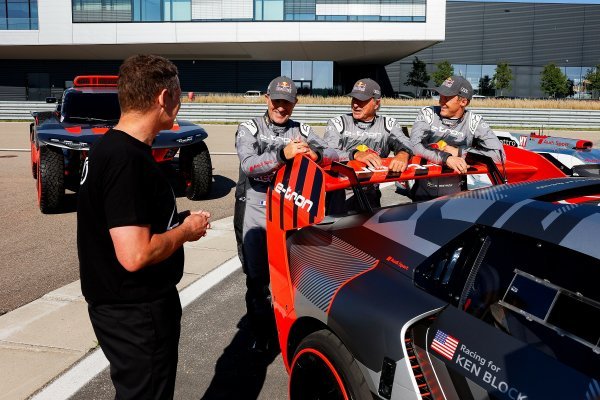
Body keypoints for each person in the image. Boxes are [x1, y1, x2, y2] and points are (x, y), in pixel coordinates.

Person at [77, 54, 211, 400]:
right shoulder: (126, 160)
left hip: (121, 308)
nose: (180, 105)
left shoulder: (108, 148)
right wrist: (186, 232)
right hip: (136, 314)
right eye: (179, 97)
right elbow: (135, 254)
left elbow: (126, 224)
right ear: (164, 97)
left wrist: (174, 223)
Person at [234, 76, 333, 353]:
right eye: (276, 101)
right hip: (256, 209)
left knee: (292, 275)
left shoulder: (301, 128)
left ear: (295, 103)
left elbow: (332, 151)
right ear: (267, 98)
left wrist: (316, 153)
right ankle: (261, 333)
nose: (281, 108)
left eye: (287, 103)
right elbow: (249, 165)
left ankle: (289, 329)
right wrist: (283, 154)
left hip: (290, 209)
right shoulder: (249, 127)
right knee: (257, 278)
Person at [324, 78, 413, 213]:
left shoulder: (388, 124)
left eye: (362, 100)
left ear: (377, 103)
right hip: (339, 195)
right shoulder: (337, 123)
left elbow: (406, 142)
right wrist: (355, 154)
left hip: (370, 195)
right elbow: (328, 153)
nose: (355, 105)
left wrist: (403, 154)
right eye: (354, 99)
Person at [410, 75, 505, 200]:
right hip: (423, 193)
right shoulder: (428, 113)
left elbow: (499, 155)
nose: (440, 101)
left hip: (457, 195)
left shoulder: (474, 121)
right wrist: (447, 158)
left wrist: (461, 152)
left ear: (463, 101)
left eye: (447, 98)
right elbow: (414, 145)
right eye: (440, 96)